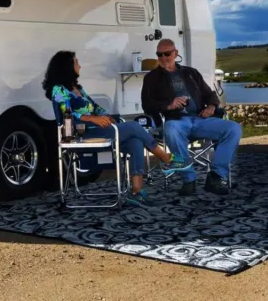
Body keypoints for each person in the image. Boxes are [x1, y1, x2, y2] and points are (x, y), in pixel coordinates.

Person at [43, 50, 191, 207]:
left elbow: (95, 107)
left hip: (97, 130)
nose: (79, 65)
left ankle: (136, 192)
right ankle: (167, 159)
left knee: (135, 141)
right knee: (134, 127)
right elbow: (67, 115)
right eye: (76, 61)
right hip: (80, 134)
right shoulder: (59, 90)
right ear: (67, 66)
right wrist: (91, 118)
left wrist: (106, 115)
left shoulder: (77, 88)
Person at [141, 39, 242, 196]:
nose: (163, 58)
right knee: (172, 130)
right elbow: (147, 105)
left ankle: (216, 176)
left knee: (233, 128)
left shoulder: (191, 73)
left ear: (176, 53)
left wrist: (211, 107)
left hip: (200, 119)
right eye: (159, 54)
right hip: (175, 122)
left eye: (167, 53)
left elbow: (210, 94)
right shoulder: (152, 78)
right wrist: (169, 105)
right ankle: (189, 179)